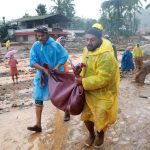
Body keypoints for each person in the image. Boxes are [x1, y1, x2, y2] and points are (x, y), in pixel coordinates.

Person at [75, 24, 120, 148]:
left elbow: (103, 79)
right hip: (88, 89)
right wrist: (79, 70)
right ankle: (91, 134)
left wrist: (82, 82)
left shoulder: (107, 55)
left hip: (103, 92)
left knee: (100, 116)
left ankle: (100, 134)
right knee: (86, 116)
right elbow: (85, 63)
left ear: (100, 39)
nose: (89, 42)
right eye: (87, 39)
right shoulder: (86, 49)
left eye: (92, 40)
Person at [27, 26, 68, 132]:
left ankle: (67, 110)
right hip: (42, 76)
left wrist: (56, 67)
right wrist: (43, 69)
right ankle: (38, 125)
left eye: (42, 35)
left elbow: (64, 56)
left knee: (60, 95)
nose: (40, 38)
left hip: (55, 75)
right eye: (38, 36)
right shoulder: (36, 46)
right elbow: (32, 61)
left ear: (47, 35)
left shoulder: (55, 45)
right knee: (38, 97)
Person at [56, 36, 70, 121]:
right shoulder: (55, 51)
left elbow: (66, 62)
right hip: (58, 74)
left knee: (66, 94)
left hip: (65, 74)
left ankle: (67, 113)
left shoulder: (65, 51)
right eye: (62, 41)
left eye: (64, 41)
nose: (63, 42)